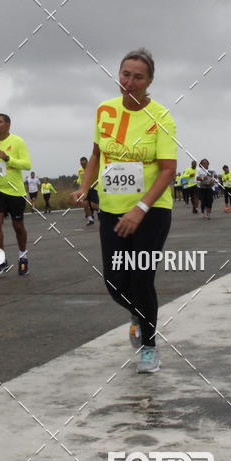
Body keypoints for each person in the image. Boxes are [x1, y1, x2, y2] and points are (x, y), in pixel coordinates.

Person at [73, 48, 176, 374]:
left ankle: (149, 347)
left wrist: (140, 208)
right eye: (125, 74)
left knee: (141, 278)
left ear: (149, 82)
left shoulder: (161, 117)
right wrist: (85, 186)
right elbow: (96, 154)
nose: (129, 82)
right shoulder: (105, 110)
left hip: (152, 209)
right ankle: (139, 313)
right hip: (112, 209)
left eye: (138, 77)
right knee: (115, 282)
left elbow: (168, 170)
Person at [0, 114, 32, 276]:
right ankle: (1, 261)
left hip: (15, 190)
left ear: (8, 124)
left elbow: (27, 164)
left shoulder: (18, 141)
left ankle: (23, 256)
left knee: (18, 226)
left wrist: (8, 158)